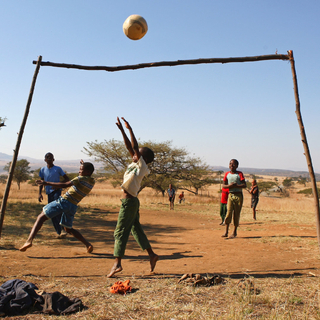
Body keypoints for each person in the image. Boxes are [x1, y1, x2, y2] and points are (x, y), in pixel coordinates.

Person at [107, 117, 158, 278]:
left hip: (129, 203)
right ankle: (151, 254)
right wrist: (122, 130)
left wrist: (130, 129)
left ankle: (117, 263)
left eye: (137, 154)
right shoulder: (135, 163)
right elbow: (130, 146)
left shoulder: (142, 167)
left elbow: (134, 147)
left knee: (120, 232)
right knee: (136, 229)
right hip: (130, 202)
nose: (133, 155)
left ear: (144, 159)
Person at [19, 161, 95, 253]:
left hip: (64, 202)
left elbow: (66, 184)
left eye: (81, 170)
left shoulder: (80, 178)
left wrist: (46, 183)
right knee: (68, 228)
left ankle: (29, 241)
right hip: (73, 206)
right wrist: (84, 164)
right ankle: (88, 244)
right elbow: (86, 173)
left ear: (87, 172)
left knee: (41, 217)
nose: (79, 171)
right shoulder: (91, 181)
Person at [38, 152, 70, 239]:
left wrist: (58, 185)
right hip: (49, 193)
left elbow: (67, 180)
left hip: (57, 191)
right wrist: (40, 193)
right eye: (47, 157)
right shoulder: (42, 170)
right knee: (51, 212)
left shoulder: (58, 169)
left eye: (51, 158)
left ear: (53, 159)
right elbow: (41, 182)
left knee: (58, 210)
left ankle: (64, 229)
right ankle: (59, 232)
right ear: (45, 159)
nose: (49, 159)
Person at [222, 159, 246, 238]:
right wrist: (229, 186)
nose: (231, 166)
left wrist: (236, 186)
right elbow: (224, 185)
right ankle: (226, 231)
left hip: (238, 195)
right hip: (230, 195)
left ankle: (234, 232)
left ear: (237, 166)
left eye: (233, 164)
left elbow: (244, 185)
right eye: (230, 164)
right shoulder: (227, 174)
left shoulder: (239, 174)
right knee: (228, 213)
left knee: (236, 213)